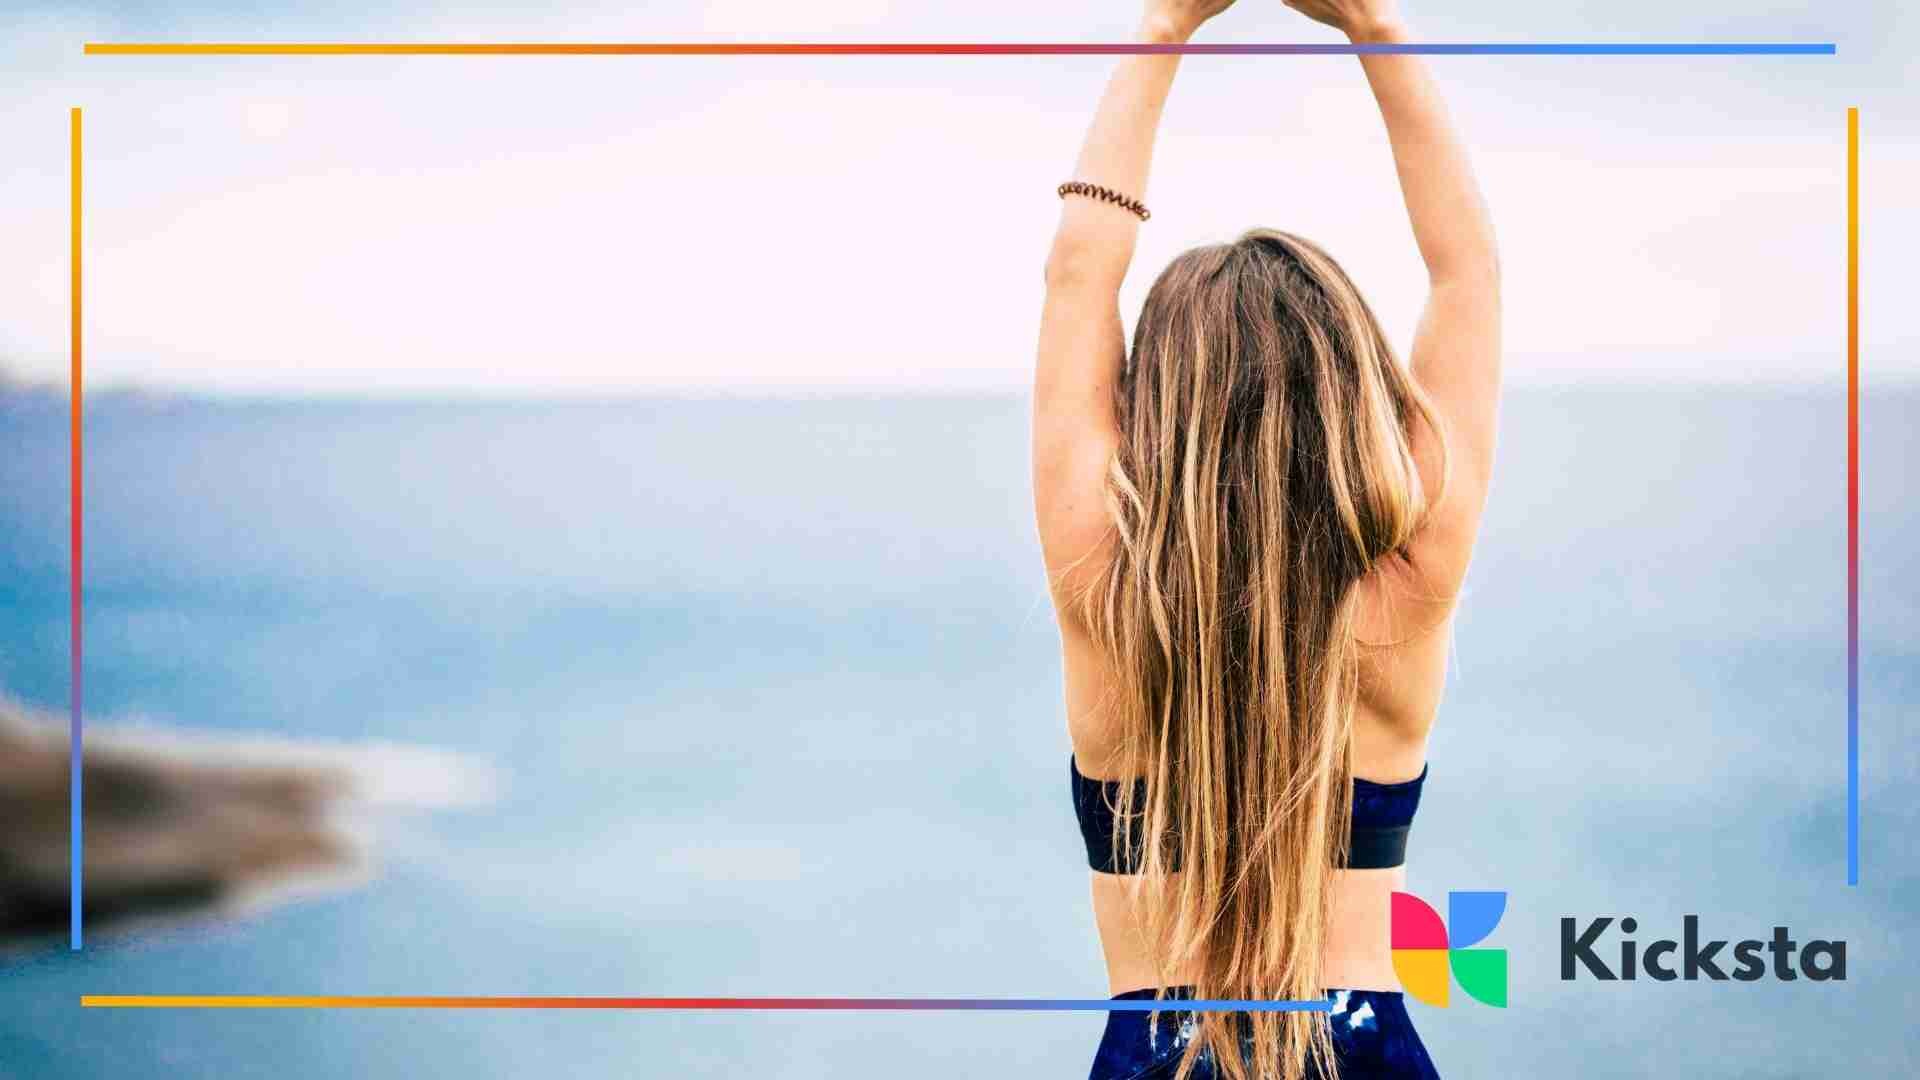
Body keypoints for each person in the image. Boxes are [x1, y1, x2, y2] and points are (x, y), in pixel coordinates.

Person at [1033, 0, 1500, 1076]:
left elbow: (1076, 277)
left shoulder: (1107, 584)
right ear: (1354, 399)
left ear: (1156, 407)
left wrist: (1164, 28)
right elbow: (1467, 274)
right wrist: (1372, 25)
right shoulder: (1408, 585)